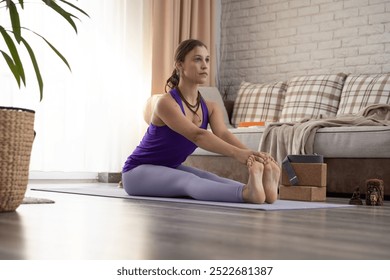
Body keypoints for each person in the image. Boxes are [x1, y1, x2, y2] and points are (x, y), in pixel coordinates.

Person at [122, 39, 280, 204]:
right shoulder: (166, 103)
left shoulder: (210, 107)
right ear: (180, 65)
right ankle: (246, 194)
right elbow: (198, 135)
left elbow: (223, 134)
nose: (204, 65)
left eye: (207, 59)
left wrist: (254, 156)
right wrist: (237, 154)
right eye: (197, 59)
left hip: (169, 167)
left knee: (208, 177)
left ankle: (260, 189)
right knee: (188, 181)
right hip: (136, 172)